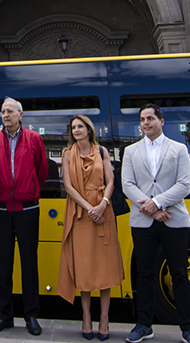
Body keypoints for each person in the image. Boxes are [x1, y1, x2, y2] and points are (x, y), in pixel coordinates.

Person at [121, 104, 190, 343]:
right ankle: (144, 325)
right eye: (142, 119)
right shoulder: (131, 151)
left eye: (150, 118)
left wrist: (156, 203)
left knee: (180, 274)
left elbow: (184, 184)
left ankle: (188, 328)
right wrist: (150, 208)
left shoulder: (178, 149)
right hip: (143, 221)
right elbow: (127, 184)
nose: (146, 123)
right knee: (144, 273)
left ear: (161, 121)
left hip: (173, 220)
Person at [0, 97, 48, 337]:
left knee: (29, 263)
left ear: (21, 115)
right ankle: (5, 316)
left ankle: (31, 316)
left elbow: (42, 170)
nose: (5, 115)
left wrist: (28, 191)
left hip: (28, 209)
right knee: (3, 264)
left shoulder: (34, 138)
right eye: (2, 112)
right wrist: (0, 192)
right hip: (1, 210)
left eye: (10, 111)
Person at [56, 115, 123, 341]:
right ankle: (86, 319)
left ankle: (104, 321)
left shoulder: (102, 152)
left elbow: (111, 180)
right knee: (84, 269)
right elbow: (69, 187)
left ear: (88, 129)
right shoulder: (67, 155)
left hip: (104, 212)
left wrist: (102, 205)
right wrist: (89, 208)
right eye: (73, 127)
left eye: (80, 126)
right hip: (81, 215)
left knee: (105, 269)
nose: (76, 130)